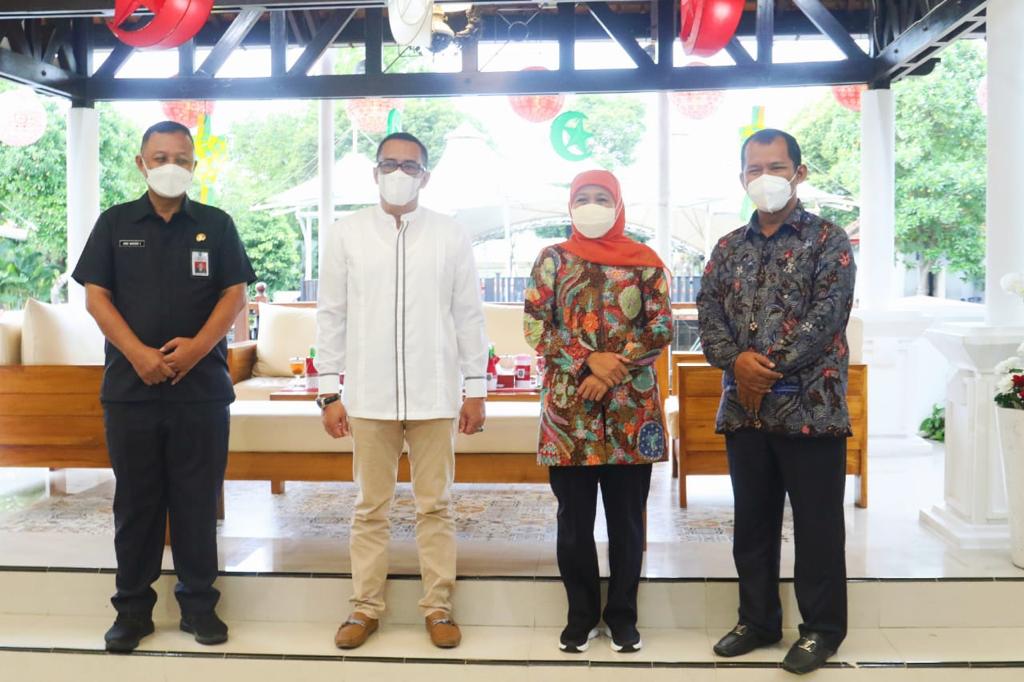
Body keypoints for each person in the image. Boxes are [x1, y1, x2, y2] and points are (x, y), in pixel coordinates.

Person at [72, 120, 256, 653]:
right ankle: (132, 611)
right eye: (159, 157)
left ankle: (200, 607)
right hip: (130, 391)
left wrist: (197, 349)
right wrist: (138, 354)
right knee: (137, 503)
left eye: (180, 158)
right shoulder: (114, 223)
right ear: (141, 163)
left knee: (197, 501)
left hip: (202, 392)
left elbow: (234, 295)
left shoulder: (217, 225)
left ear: (193, 166)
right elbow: (96, 297)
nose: (170, 166)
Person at [316, 132, 487, 650]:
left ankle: (438, 607)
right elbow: (331, 315)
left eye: (410, 166)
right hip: (369, 396)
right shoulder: (346, 234)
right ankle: (364, 608)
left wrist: (475, 387)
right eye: (389, 164)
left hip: (435, 394)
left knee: (435, 506)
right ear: (374, 172)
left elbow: (468, 315)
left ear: (425, 176)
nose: (398, 173)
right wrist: (329, 390)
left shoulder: (450, 234)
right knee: (371, 507)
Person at [696, 129, 856, 675]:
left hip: (812, 408)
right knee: (753, 524)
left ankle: (822, 630)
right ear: (742, 177)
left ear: (799, 173)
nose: (765, 177)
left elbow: (827, 315)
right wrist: (734, 361)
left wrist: (762, 368)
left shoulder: (828, 239)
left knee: (818, 526)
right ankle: (758, 621)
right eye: (755, 168)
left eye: (777, 167)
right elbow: (708, 315)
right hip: (745, 412)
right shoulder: (727, 248)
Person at [523, 170, 672, 654]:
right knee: (574, 522)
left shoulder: (645, 262)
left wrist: (609, 370)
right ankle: (581, 616)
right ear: (569, 205)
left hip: (631, 413)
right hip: (571, 416)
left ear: (619, 204)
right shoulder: (552, 260)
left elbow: (660, 329)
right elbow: (535, 326)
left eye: (602, 198)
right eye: (583, 198)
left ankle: (623, 618)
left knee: (628, 523)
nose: (592, 206)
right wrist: (586, 359)